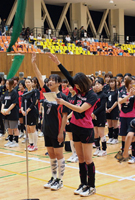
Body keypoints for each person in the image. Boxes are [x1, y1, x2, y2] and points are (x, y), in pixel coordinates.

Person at [48, 53, 97, 196]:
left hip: (86, 130)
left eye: (76, 85)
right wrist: (58, 63)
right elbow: (68, 77)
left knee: (88, 159)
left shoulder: (91, 95)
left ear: (82, 84)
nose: (74, 87)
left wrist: (64, 102)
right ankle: (83, 184)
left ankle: (91, 186)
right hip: (75, 127)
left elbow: (81, 109)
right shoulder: (78, 90)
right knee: (80, 158)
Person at [32, 53, 68, 191]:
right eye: (50, 80)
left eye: (53, 80)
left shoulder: (62, 97)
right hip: (47, 129)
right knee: (51, 155)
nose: (50, 82)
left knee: (59, 155)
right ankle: (53, 177)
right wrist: (34, 64)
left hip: (58, 130)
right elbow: (39, 78)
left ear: (59, 83)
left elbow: (64, 116)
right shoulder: (47, 93)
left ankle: (60, 179)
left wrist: (61, 133)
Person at [118, 76, 135, 159]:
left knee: (132, 136)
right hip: (123, 115)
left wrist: (133, 94)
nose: (132, 85)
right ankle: (125, 153)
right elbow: (120, 101)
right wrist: (129, 96)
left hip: (132, 116)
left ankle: (133, 154)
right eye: (131, 83)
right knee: (123, 135)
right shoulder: (122, 91)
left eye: (133, 83)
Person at [21, 78, 38, 151]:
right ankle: (31, 144)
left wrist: (28, 110)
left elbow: (34, 102)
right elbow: (22, 102)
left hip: (32, 112)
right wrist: (22, 110)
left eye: (29, 82)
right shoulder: (25, 92)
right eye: (26, 82)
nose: (27, 83)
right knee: (28, 129)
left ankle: (35, 145)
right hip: (25, 112)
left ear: (32, 83)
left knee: (32, 128)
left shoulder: (34, 91)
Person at [92, 78, 107, 157]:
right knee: (96, 133)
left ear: (103, 86)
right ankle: (98, 148)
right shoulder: (94, 95)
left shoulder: (104, 95)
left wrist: (94, 113)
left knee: (101, 133)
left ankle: (104, 149)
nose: (97, 86)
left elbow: (102, 106)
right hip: (94, 116)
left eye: (99, 84)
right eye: (96, 84)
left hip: (100, 116)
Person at [2, 79, 19, 148]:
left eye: (8, 84)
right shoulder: (6, 92)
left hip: (13, 112)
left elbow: (14, 103)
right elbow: (3, 102)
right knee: (9, 128)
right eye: (6, 84)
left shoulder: (14, 92)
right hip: (6, 113)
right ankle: (10, 140)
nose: (6, 85)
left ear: (12, 85)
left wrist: (8, 110)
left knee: (14, 127)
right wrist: (2, 110)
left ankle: (16, 141)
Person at [66, 84, 78, 163]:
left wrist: (68, 117)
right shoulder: (68, 96)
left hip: (74, 119)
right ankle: (73, 153)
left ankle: (77, 154)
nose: (70, 88)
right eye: (69, 86)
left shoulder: (77, 97)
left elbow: (75, 109)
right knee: (70, 138)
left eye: (72, 86)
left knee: (75, 138)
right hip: (68, 119)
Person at [106, 78, 119, 144]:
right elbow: (105, 100)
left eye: (113, 82)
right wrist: (106, 108)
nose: (111, 83)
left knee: (115, 124)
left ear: (115, 83)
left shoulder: (117, 91)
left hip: (114, 109)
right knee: (109, 124)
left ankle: (115, 138)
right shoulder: (107, 91)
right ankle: (110, 137)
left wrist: (111, 108)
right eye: (110, 82)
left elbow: (117, 101)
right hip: (107, 109)